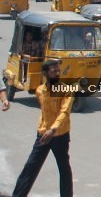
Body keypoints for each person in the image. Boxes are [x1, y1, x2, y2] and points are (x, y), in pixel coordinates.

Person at [12, 60, 74, 197]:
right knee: (30, 167)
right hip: (43, 134)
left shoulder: (66, 90)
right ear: (45, 73)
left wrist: (53, 129)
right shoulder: (40, 90)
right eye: (54, 71)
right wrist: (45, 129)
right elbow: (44, 111)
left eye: (58, 71)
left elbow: (64, 113)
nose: (57, 73)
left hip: (59, 135)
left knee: (64, 168)